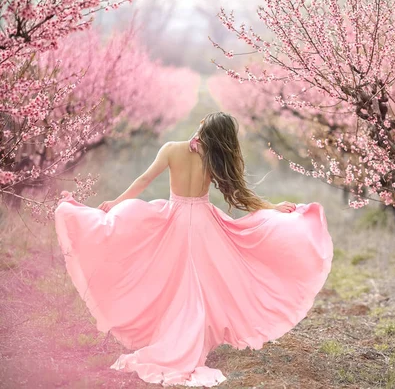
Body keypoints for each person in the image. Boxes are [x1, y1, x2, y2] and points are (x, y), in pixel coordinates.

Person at [54, 111, 334, 387]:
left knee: (172, 279)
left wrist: (116, 202)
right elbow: (239, 194)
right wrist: (271, 207)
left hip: (174, 221)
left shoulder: (171, 149)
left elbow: (143, 181)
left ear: (201, 125)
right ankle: (194, 332)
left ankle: (176, 331)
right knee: (205, 281)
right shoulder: (214, 158)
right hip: (202, 224)